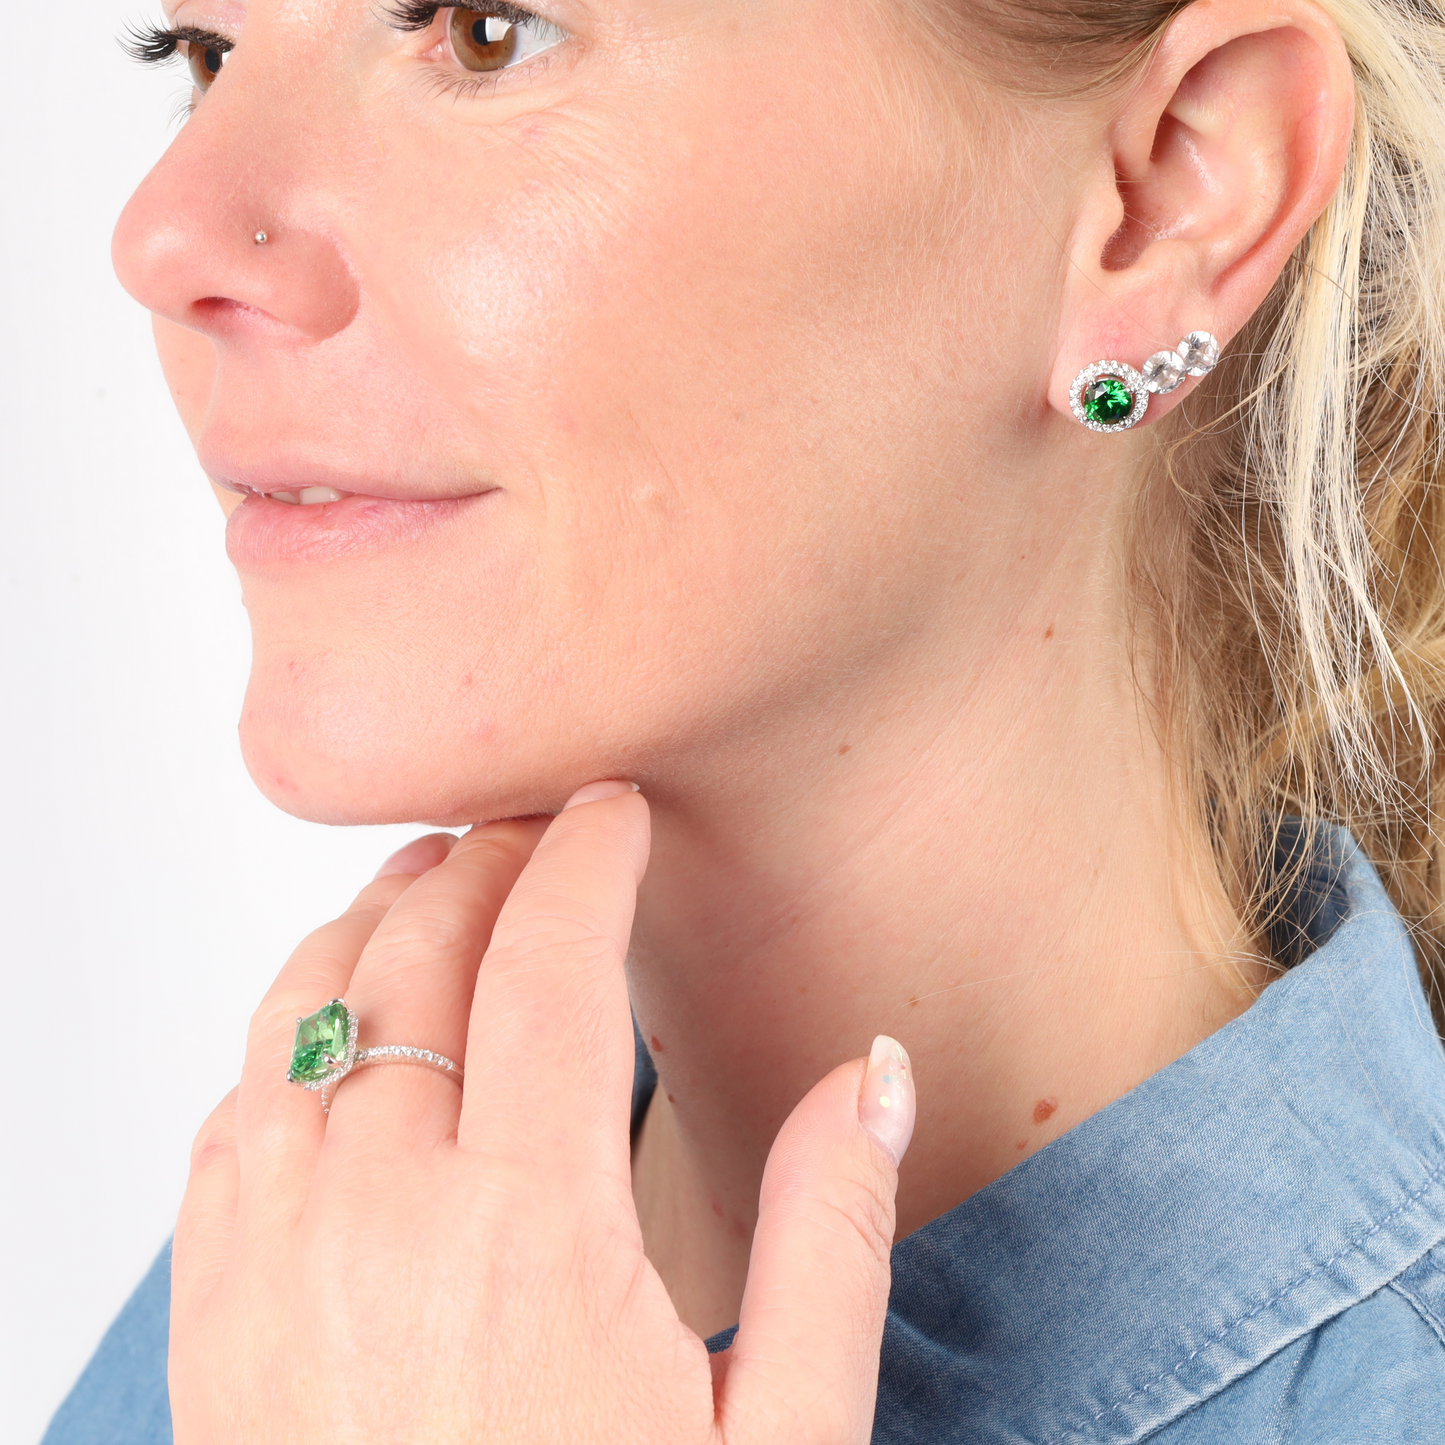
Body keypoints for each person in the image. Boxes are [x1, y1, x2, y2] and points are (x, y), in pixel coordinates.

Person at [43, 0, 1445, 1438]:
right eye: (203, 54)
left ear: (1169, 198)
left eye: (483, 34)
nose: (165, 234)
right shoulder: (330, 1271)